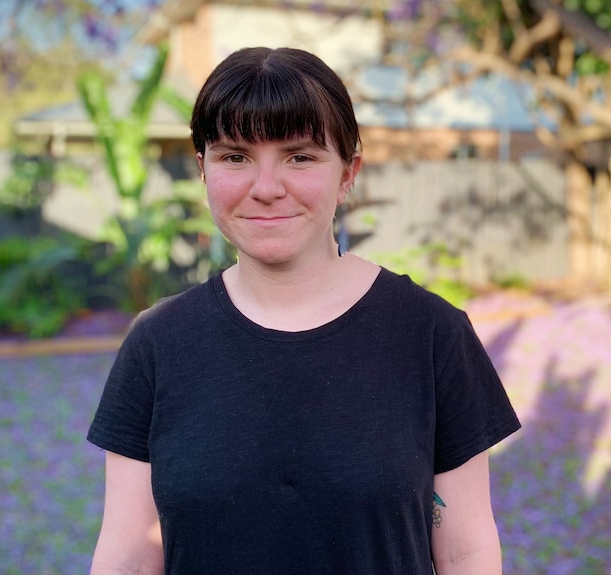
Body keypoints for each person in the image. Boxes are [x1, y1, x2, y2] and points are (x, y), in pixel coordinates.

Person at [87, 46, 520, 575]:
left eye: (300, 156)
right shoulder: (158, 343)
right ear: (203, 170)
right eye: (235, 156)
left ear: (347, 172)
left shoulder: (431, 334)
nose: (266, 188)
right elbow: (130, 553)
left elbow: (465, 549)